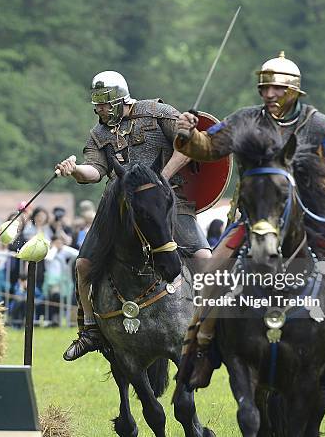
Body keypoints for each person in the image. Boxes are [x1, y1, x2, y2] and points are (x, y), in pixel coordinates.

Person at [175, 51, 325, 401]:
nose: (268, 94)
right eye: (264, 88)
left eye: (276, 89)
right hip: (255, 219)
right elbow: (209, 148)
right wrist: (188, 136)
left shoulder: (318, 126)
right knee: (212, 275)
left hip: (313, 220)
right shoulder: (244, 120)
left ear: (294, 91)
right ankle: (203, 351)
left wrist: (294, 192)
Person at [56, 70, 212, 361]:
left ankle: (208, 324)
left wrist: (159, 181)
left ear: (120, 99)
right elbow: (95, 171)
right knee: (84, 265)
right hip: (119, 209)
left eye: (104, 103)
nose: (99, 109)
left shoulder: (157, 113)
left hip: (167, 201)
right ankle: (90, 330)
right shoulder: (98, 133)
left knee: (203, 258)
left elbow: (188, 145)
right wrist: (74, 170)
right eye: (97, 105)